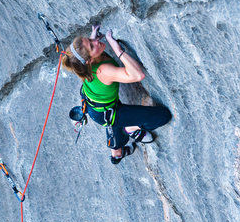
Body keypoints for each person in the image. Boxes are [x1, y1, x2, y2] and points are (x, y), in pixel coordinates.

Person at [62, 26, 171, 164]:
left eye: (90, 39)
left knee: (113, 119)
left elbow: (83, 54)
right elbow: (138, 75)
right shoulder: (103, 71)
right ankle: (131, 128)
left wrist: (93, 37)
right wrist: (117, 49)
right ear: (89, 61)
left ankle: (117, 154)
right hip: (106, 111)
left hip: (96, 105)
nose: (95, 42)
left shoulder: (82, 66)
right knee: (162, 116)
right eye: (91, 45)